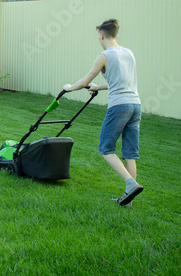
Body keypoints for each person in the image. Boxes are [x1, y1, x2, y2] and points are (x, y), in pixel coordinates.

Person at [63, 19, 143, 207]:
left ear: (101, 35)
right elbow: (121, 82)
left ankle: (131, 184)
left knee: (106, 149)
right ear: (116, 35)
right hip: (135, 106)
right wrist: (98, 86)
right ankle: (129, 199)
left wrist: (69, 88)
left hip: (119, 107)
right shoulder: (128, 53)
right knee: (129, 153)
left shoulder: (104, 56)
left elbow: (84, 81)